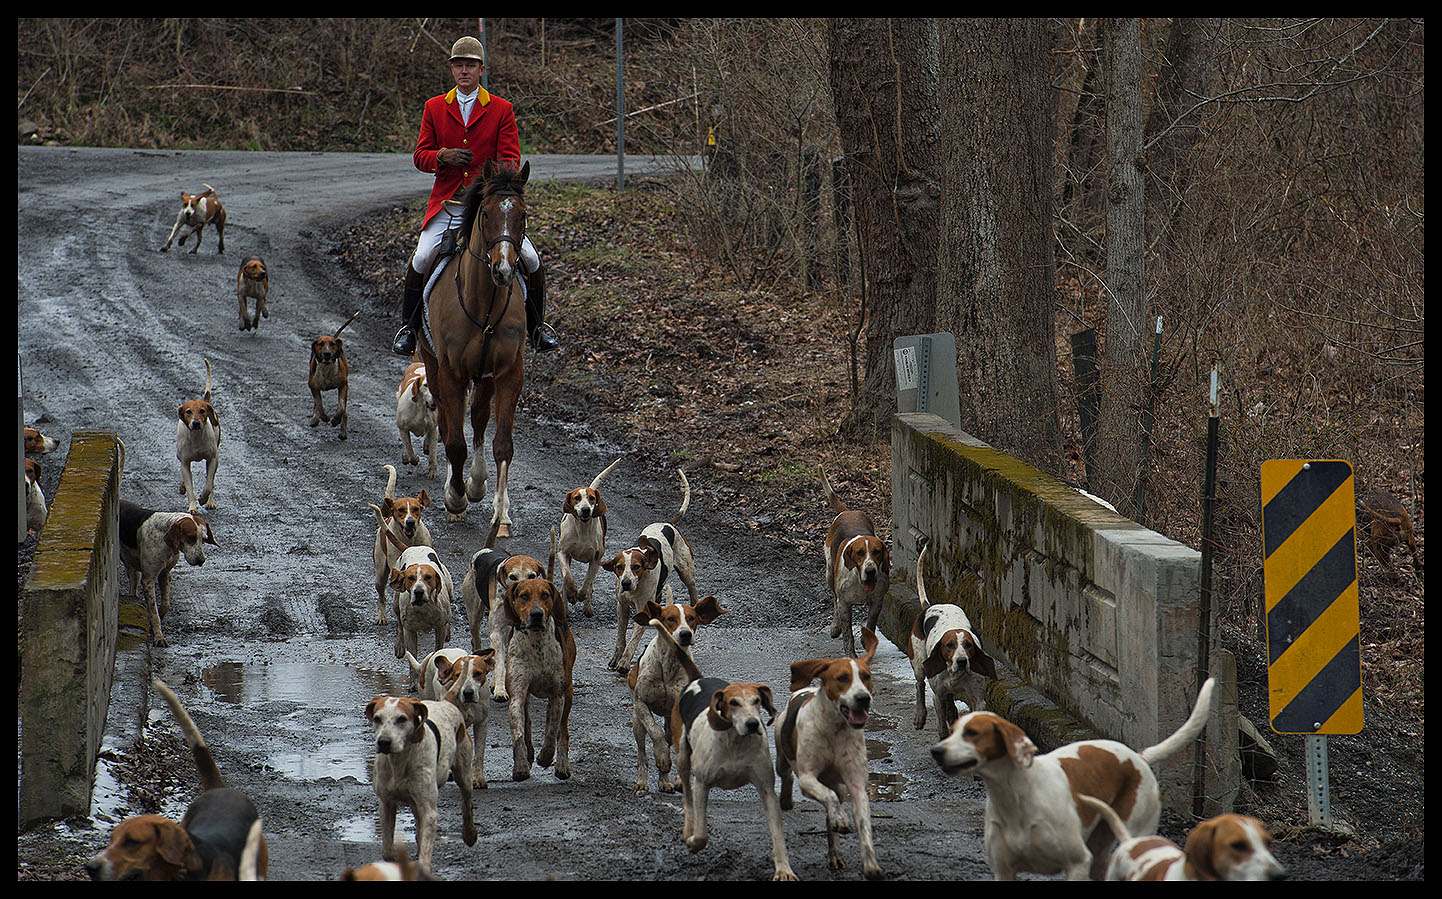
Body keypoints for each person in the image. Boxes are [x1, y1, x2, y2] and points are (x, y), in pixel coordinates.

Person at [392, 35, 558, 356]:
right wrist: (442, 156)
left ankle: (538, 328)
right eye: (458, 66)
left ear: (481, 70)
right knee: (422, 256)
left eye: (470, 65)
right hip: (448, 203)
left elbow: (510, 158)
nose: (464, 71)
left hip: (488, 205)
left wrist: (490, 179)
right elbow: (419, 156)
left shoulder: (501, 109)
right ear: (452, 70)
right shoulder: (434, 107)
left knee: (532, 260)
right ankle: (408, 329)